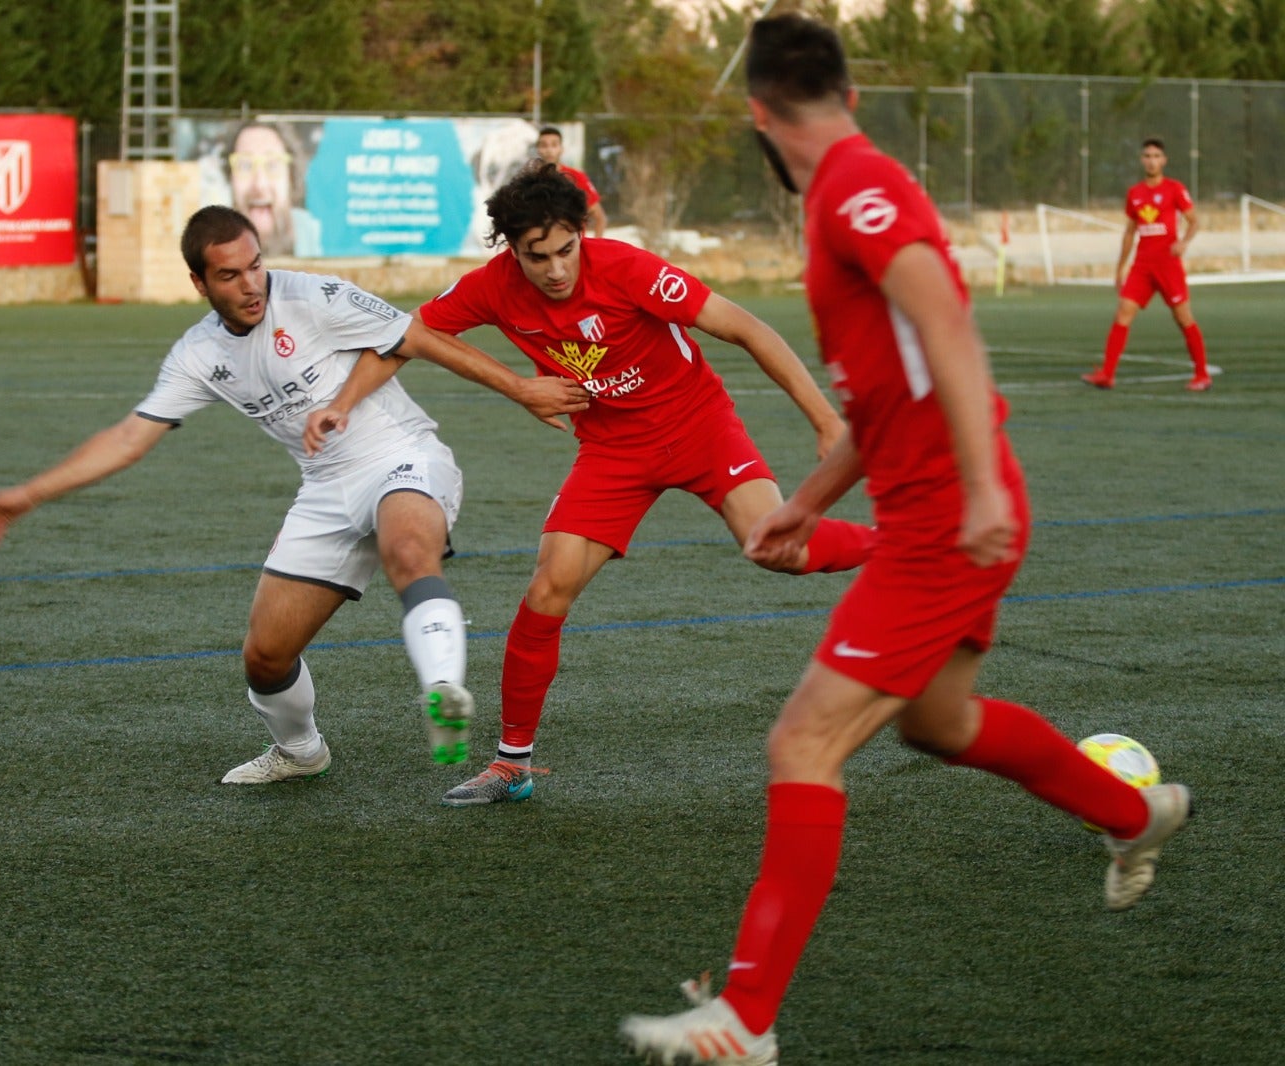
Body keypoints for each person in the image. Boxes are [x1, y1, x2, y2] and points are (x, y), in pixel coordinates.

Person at [618, 17, 1192, 1064]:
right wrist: (809, 496)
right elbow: (891, 390)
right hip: (940, 508)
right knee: (938, 723)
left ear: (757, 113)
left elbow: (944, 322)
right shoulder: (849, 179)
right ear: (841, 86)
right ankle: (1132, 814)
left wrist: (976, 490)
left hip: (944, 524)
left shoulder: (850, 185)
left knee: (802, 742)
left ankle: (744, 1018)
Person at [0, 205, 588, 781]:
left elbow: (417, 337)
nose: (252, 283)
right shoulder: (199, 354)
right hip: (325, 488)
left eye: (256, 264)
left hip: (402, 455)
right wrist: (29, 494)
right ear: (200, 283)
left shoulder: (311, 294)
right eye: (230, 275)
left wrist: (520, 388)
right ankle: (299, 751)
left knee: (408, 551)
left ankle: (444, 689)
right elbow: (130, 436)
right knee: (265, 656)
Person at [410, 161, 874, 807]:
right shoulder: (492, 287)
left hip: (700, 425)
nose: (554, 269)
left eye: (566, 249)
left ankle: (901, 547)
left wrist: (826, 421)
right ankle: (512, 764)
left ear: (582, 231)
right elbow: (416, 331)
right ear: (510, 250)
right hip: (612, 450)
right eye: (535, 256)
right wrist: (516, 386)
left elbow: (747, 328)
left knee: (778, 549)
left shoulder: (627, 268)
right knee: (548, 589)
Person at [1081, 138, 1210, 391]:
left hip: (1168, 265)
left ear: (1164, 160)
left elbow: (1194, 221)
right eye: (1147, 156)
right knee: (1123, 313)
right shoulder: (1135, 193)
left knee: (1183, 318)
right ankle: (1107, 374)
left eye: (1156, 156)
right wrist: (1120, 267)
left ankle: (1202, 374)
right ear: (1142, 160)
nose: (1152, 161)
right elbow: (1130, 232)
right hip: (1142, 265)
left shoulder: (1174, 189)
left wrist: (1183, 242)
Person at [224, 122, 321, 258]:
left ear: (291, 177)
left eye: (272, 165)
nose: (260, 185)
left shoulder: (318, 236)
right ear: (230, 179)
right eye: (245, 165)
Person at [535, 126, 607, 238]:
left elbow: (599, 217)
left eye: (554, 145)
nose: (549, 150)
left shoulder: (576, 177)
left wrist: (594, 248)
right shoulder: (530, 180)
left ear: (561, 148)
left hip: (573, 248)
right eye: (544, 145)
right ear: (538, 149)